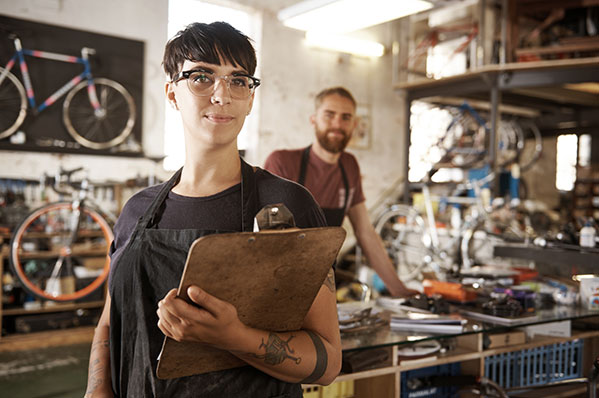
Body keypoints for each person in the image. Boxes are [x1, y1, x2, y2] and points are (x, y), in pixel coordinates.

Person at [84, 22, 341, 398]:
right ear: (172, 94)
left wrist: (234, 337)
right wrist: (96, 391)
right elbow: (109, 324)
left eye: (238, 80)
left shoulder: (286, 206)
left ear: (251, 98)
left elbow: (328, 362)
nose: (222, 95)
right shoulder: (136, 211)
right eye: (201, 77)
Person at [264, 87, 418, 298]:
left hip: (325, 287)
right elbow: (266, 238)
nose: (337, 124)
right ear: (314, 119)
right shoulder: (282, 162)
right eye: (329, 115)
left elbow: (365, 232)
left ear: (354, 125)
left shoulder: (349, 166)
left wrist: (400, 291)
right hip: (280, 286)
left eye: (346, 118)